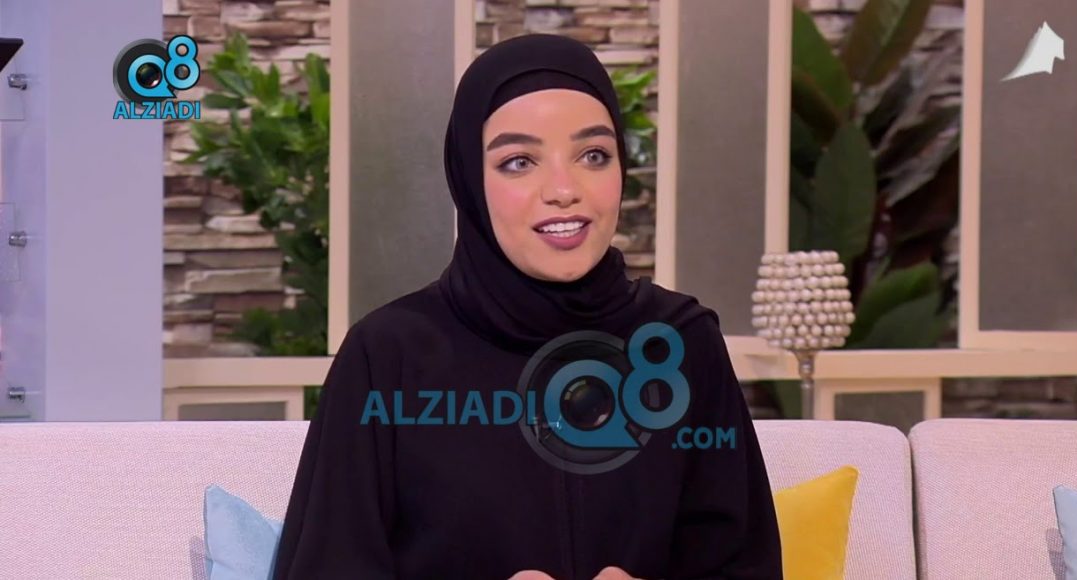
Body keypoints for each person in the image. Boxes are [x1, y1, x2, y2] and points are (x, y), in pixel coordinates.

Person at [272, 33, 783, 580]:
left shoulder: (679, 343)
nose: (563, 190)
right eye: (519, 161)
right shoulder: (389, 354)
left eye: (593, 155)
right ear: (470, 180)